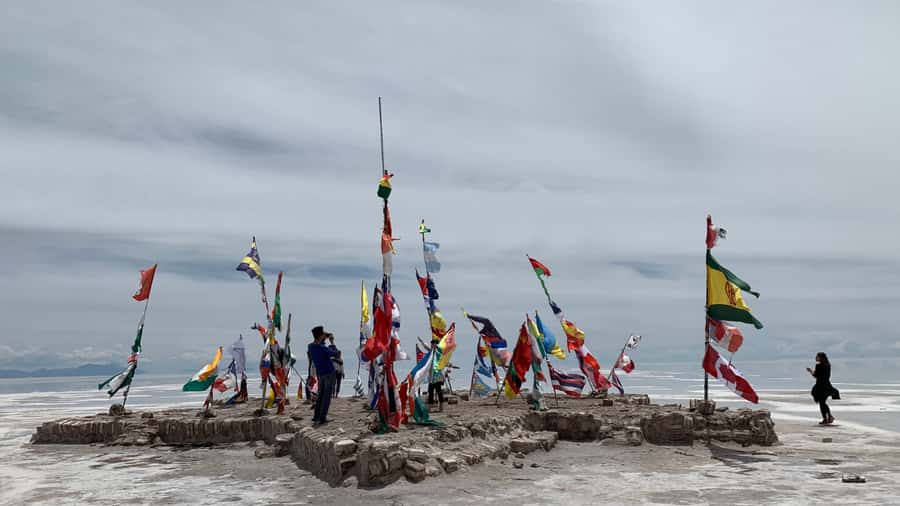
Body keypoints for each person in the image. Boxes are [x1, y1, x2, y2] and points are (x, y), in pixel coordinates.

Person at [308, 326, 339, 425]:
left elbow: (318, 342)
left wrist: (324, 336)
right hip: (329, 372)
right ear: (321, 336)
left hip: (320, 374)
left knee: (320, 395)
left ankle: (316, 416)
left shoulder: (311, 347)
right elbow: (336, 353)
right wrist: (332, 342)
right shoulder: (323, 348)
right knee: (326, 396)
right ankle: (322, 417)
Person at [807, 352, 840, 425]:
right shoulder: (828, 365)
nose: (816, 358)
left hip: (820, 386)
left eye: (817, 357)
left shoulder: (819, 366)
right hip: (827, 385)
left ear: (820, 358)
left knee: (822, 403)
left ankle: (827, 418)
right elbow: (825, 376)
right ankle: (828, 417)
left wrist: (810, 371)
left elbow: (816, 375)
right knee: (822, 402)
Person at [427, 337, 445, 412]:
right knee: (430, 392)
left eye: (432, 345)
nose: (431, 346)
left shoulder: (439, 354)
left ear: (435, 345)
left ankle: (441, 407)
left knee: (439, 391)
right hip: (431, 377)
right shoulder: (430, 353)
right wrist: (422, 342)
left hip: (437, 376)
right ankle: (430, 408)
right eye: (431, 345)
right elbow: (427, 349)